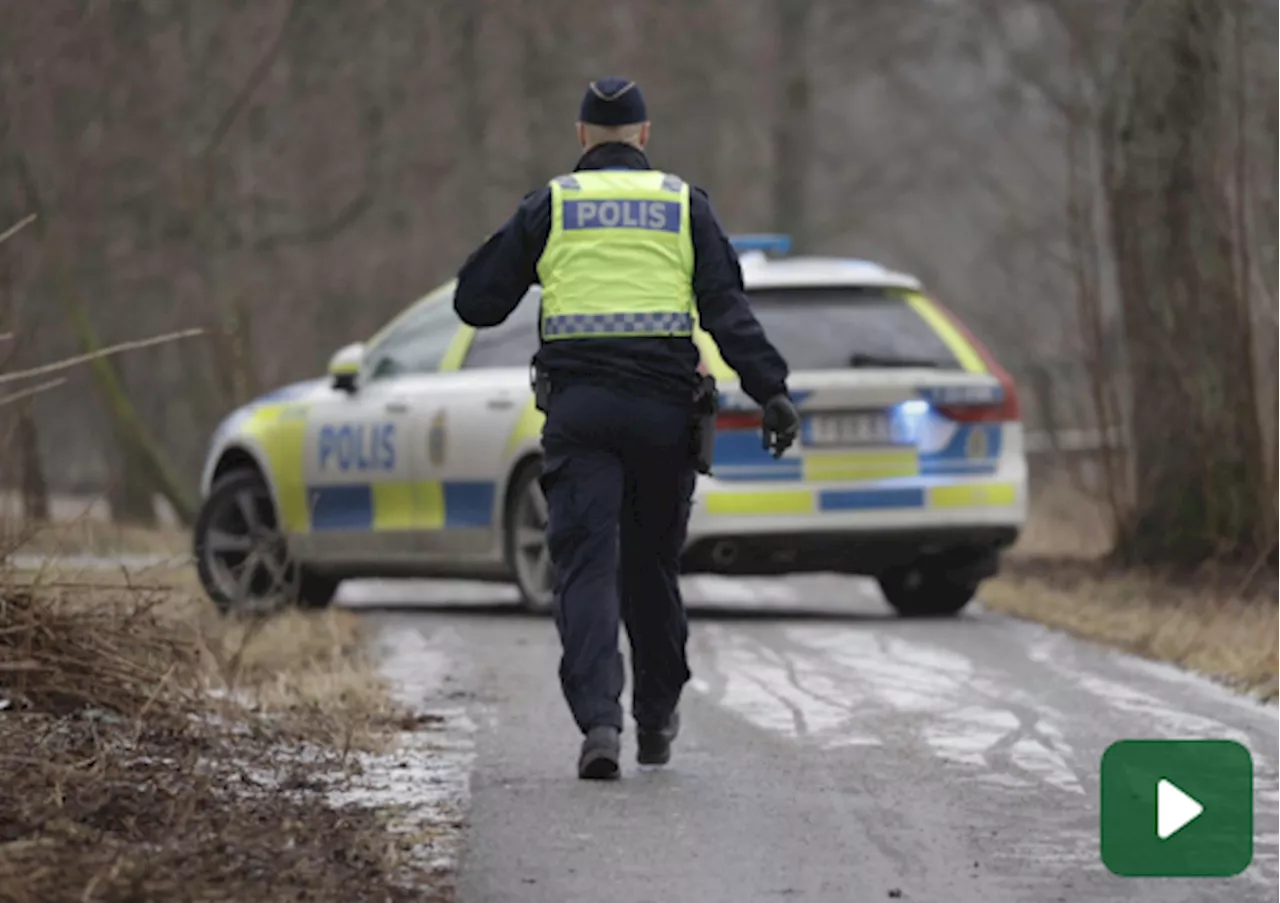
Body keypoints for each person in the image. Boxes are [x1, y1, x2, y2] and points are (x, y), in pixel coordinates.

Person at [454, 76, 800, 780]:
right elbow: (726, 310)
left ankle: (600, 722)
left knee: (585, 566)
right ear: (644, 135)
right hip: (663, 413)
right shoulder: (682, 204)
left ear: (582, 135)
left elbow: (476, 304)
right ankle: (656, 719)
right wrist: (773, 391)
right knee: (652, 567)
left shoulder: (552, 205)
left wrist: (511, 246)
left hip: (580, 413)